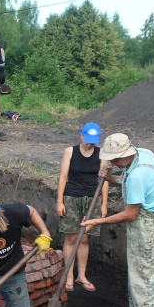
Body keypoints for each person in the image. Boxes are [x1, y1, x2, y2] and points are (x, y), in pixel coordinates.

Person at [81, 133, 154, 307]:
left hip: (147, 228)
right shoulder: (143, 154)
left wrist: (98, 221)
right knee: (137, 276)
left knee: (145, 280)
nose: (111, 163)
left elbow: (130, 214)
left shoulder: (138, 175)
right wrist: (110, 178)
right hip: (149, 221)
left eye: (114, 160)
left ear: (124, 155)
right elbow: (127, 179)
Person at [56, 122, 109, 291]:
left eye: (93, 140)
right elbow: (63, 177)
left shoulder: (102, 155)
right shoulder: (70, 152)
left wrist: (104, 204)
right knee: (71, 238)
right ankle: (69, 275)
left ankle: (82, 276)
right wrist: (60, 201)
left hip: (92, 200)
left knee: (85, 238)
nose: (90, 143)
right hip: (72, 197)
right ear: (81, 135)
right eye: (87, 139)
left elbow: (104, 181)